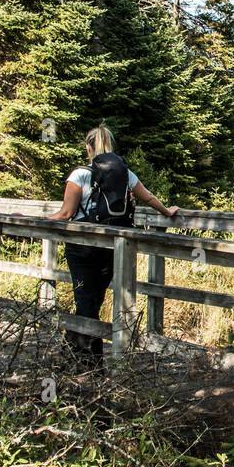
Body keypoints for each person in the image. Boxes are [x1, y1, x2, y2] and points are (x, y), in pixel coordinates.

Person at [45, 125, 179, 360]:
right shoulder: (125, 174)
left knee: (85, 301)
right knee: (94, 300)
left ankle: (86, 359)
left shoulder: (80, 174)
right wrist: (167, 211)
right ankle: (81, 356)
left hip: (82, 247)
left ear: (88, 147)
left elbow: (66, 214)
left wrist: (40, 220)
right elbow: (147, 197)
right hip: (112, 247)